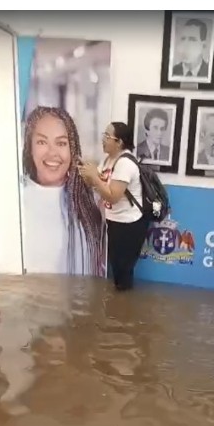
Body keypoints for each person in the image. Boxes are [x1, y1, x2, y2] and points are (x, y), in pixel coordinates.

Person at [21, 106, 106, 276]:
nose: (52, 153)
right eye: (42, 142)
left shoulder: (91, 201)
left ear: (72, 150)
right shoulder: (15, 197)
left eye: (61, 143)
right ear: (29, 147)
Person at [78, 122, 149, 292]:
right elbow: (98, 185)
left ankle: (124, 305)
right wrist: (87, 172)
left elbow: (113, 196)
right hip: (114, 220)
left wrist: (94, 177)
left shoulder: (125, 164)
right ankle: (120, 304)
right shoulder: (108, 160)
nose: (103, 140)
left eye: (107, 136)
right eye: (104, 135)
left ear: (119, 142)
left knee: (123, 270)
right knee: (116, 267)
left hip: (129, 223)